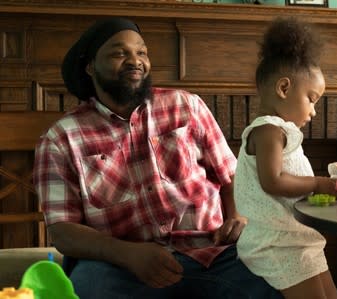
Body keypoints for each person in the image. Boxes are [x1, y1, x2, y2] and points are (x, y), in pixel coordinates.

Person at [33, 17, 283, 299]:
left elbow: (232, 177)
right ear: (90, 66)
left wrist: (238, 217)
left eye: (141, 52)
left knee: (276, 274)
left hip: (213, 254)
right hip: (121, 265)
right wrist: (128, 255)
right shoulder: (61, 139)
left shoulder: (186, 106)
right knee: (92, 286)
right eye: (119, 53)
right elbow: (63, 231)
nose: (135, 61)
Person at [234, 17, 337, 299]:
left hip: (296, 238)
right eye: (312, 99)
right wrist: (316, 184)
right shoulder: (268, 129)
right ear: (283, 88)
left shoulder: (279, 130)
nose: (313, 111)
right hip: (276, 243)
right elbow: (273, 181)